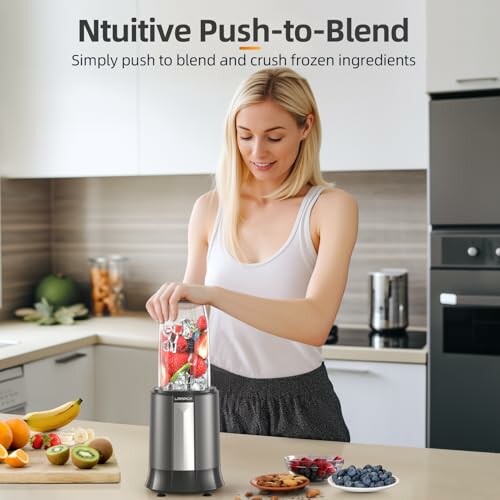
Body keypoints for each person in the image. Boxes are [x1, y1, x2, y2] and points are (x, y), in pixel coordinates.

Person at [146, 67, 358, 441]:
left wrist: (214, 295)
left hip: (300, 406)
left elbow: (315, 324)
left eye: (274, 137)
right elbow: (193, 321)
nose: (257, 152)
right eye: (245, 136)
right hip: (219, 398)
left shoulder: (331, 207)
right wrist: (172, 310)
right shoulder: (209, 208)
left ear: (305, 127)